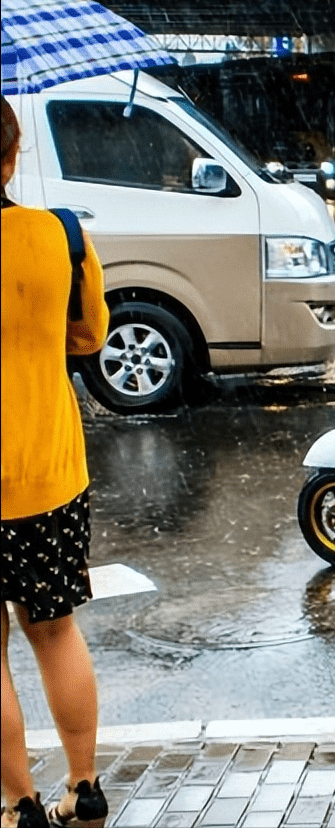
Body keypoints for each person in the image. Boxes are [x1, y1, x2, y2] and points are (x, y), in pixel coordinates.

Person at [1, 97, 110, 827]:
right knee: (55, 628)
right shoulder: (61, 234)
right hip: (48, 471)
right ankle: (84, 786)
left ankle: (21, 804)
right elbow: (88, 337)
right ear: (11, 157)